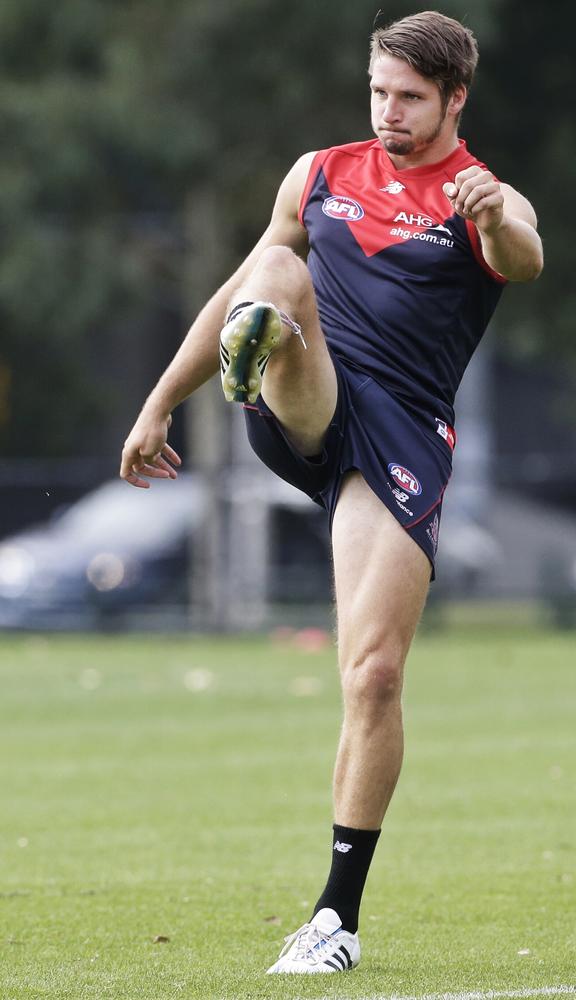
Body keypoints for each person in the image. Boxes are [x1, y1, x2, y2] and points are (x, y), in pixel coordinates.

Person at [120, 9, 543, 975]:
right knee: (271, 268)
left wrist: (489, 217)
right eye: (378, 92)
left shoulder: (486, 196)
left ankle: (335, 922)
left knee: (375, 675)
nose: (389, 113)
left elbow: (526, 256)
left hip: (400, 439)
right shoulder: (319, 175)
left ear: (455, 98)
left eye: (410, 98)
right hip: (312, 402)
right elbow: (231, 281)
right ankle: (258, 355)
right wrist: (156, 406)